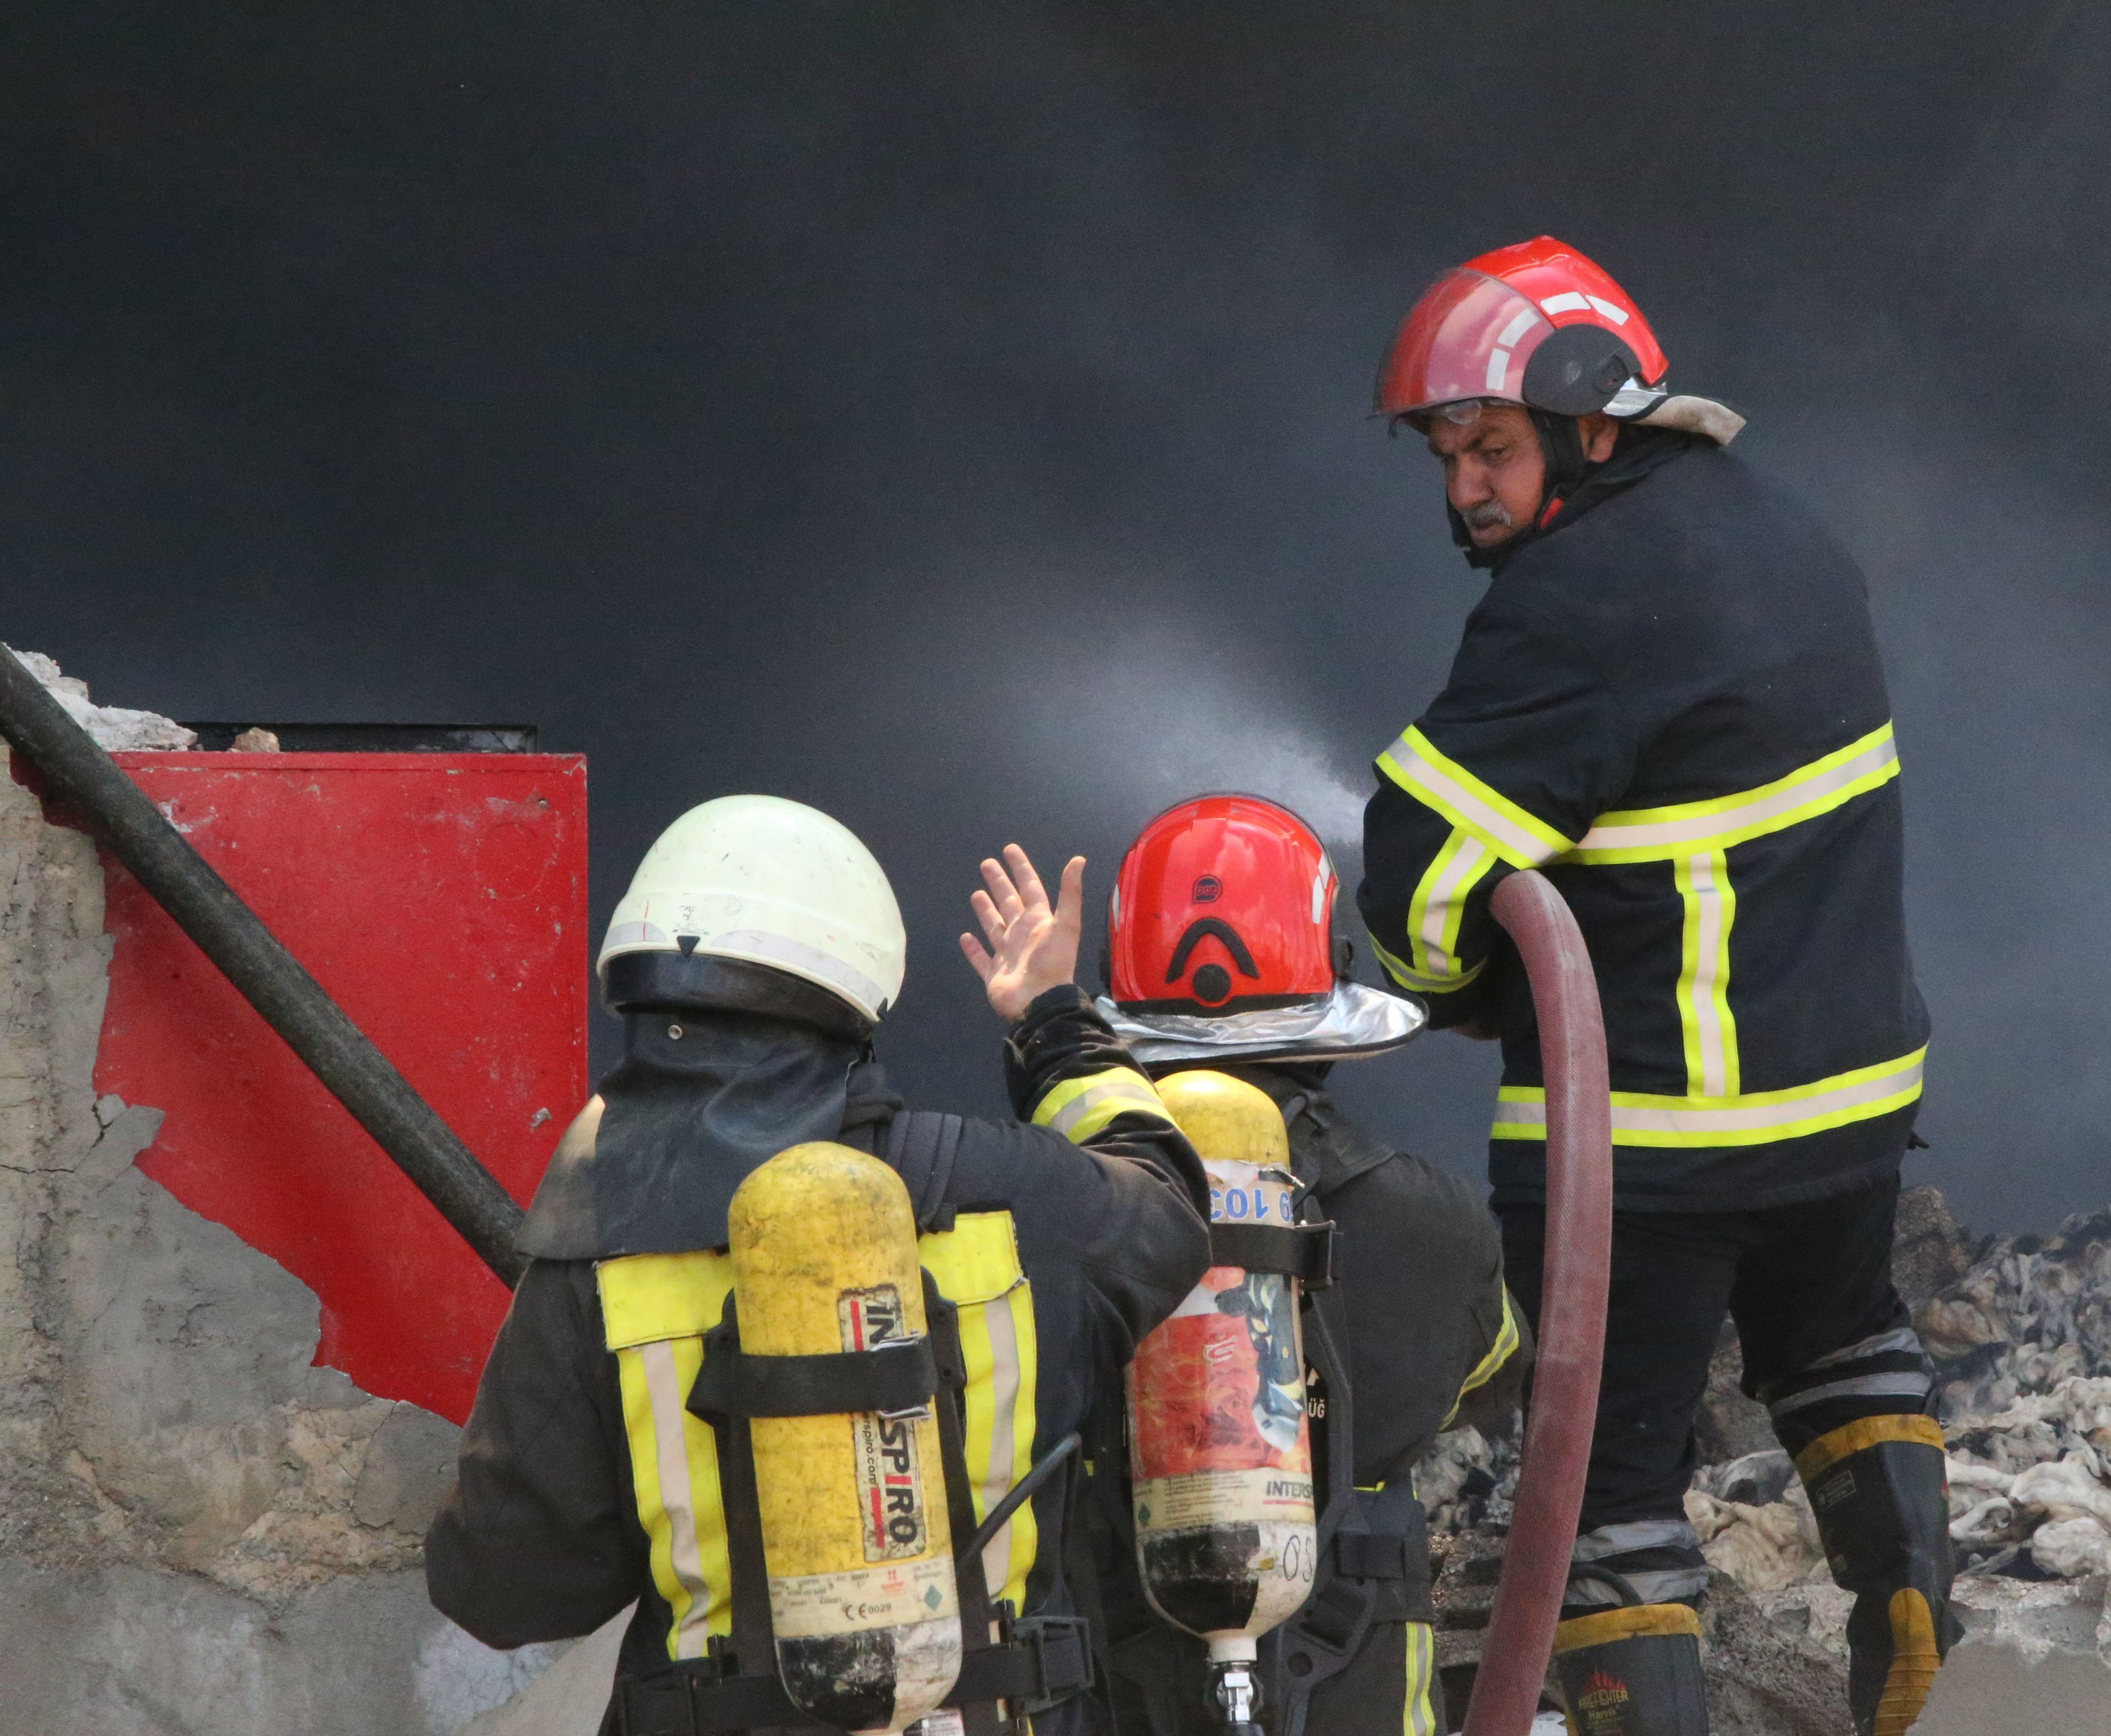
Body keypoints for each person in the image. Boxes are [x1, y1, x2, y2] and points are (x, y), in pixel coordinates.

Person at [1356, 237, 1953, 1736]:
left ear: (1592, 421)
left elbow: (1418, 888)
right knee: (1844, 1343)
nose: (1464, 493)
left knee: (1612, 1492)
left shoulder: (1578, 599)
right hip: (1856, 1107)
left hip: (1656, 1145)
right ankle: (1908, 1617)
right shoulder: (1789, 535)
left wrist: (1465, 980)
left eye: (1488, 448)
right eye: (1444, 455)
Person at [427, 796, 1212, 1736]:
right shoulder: (1016, 1194)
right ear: (861, 989)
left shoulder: (595, 1249)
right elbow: (1169, 1203)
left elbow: (505, 1592)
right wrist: (1052, 1020)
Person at [1085, 794, 1526, 1736]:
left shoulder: (1052, 1210)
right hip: (1355, 1685)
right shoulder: (1435, 1219)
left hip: (1109, 1677)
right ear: (1329, 988)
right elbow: (1493, 1377)